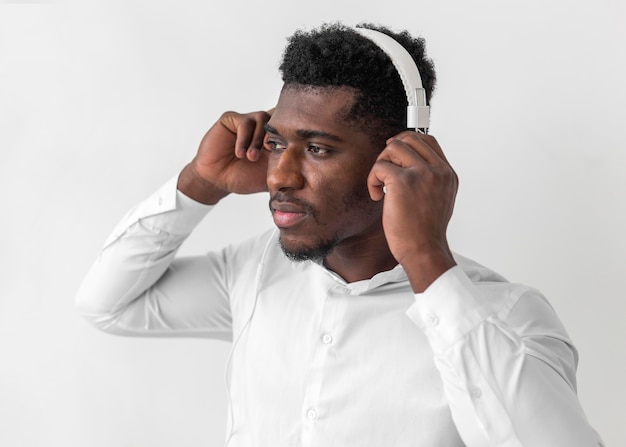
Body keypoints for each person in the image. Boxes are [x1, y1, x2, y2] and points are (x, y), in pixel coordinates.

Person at [76, 23, 603, 446]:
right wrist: (200, 182)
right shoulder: (254, 273)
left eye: (319, 149)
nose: (279, 176)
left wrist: (425, 255)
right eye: (279, 143)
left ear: (400, 158)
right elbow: (109, 305)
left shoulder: (505, 316)